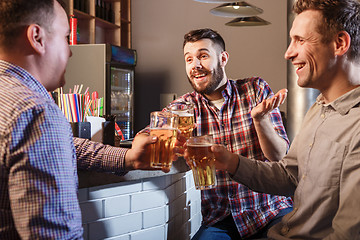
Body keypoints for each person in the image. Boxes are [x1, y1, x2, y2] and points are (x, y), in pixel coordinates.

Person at [0, 0, 170, 239]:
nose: (70, 51)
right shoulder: (37, 113)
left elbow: (63, 145)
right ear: (37, 37)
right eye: (65, 37)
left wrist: (127, 156)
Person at [198, 0, 360, 238]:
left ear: (339, 43)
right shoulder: (320, 107)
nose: (288, 53)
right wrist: (231, 162)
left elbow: (348, 234)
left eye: (300, 40)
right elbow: (290, 176)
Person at [174, 28, 293, 239]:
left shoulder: (255, 89)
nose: (196, 65)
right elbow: (151, 133)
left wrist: (260, 119)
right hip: (219, 220)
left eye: (203, 56)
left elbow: (280, 156)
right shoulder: (183, 107)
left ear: (223, 58)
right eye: (189, 59)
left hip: (270, 211)